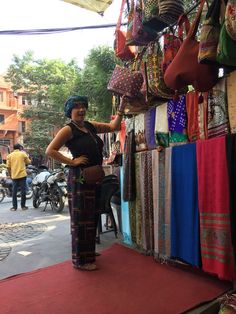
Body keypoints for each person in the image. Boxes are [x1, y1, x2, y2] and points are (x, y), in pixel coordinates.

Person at [46, 94, 128, 271]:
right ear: (70, 111)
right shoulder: (68, 130)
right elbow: (50, 150)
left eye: (83, 106)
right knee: (81, 218)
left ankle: (88, 252)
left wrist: (121, 108)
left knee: (91, 216)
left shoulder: (90, 126)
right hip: (79, 178)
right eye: (77, 107)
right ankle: (81, 260)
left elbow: (114, 127)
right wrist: (72, 161)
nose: (81, 109)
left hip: (94, 177)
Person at [6, 143, 31, 211]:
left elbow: (8, 167)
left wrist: (10, 175)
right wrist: (28, 157)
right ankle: (23, 206)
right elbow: (28, 162)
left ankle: (14, 207)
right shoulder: (23, 154)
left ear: (14, 148)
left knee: (14, 192)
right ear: (20, 148)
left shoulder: (9, 156)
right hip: (22, 175)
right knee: (23, 191)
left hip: (14, 176)